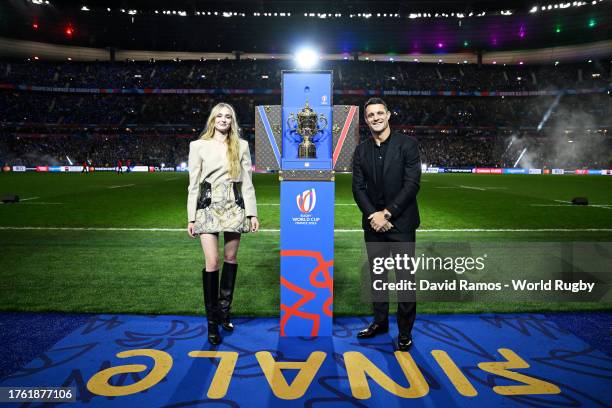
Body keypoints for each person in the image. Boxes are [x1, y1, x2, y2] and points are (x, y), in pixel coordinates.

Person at [187, 102, 260, 345]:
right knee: (212, 261)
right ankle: (212, 323)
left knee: (230, 259)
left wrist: (252, 213)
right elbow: (193, 185)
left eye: (228, 116)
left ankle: (224, 313)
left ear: (232, 121)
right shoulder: (198, 146)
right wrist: (191, 216)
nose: (223, 120)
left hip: (233, 206)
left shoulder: (241, 146)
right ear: (212, 120)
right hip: (207, 207)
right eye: (219, 116)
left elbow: (247, 183)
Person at [352, 97, 421, 351]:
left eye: (380, 113)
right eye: (371, 115)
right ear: (366, 120)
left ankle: (405, 332)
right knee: (377, 277)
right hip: (373, 225)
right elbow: (358, 189)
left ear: (389, 115)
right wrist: (374, 216)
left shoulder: (408, 145)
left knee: (404, 279)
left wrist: (388, 214)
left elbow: (412, 184)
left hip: (401, 224)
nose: (376, 118)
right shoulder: (361, 150)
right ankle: (379, 323)